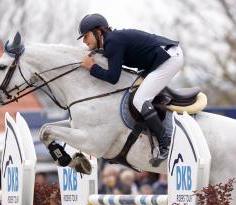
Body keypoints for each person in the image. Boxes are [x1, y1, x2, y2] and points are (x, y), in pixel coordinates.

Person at [78, 13, 182, 165]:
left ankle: (165, 143)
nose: (84, 41)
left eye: (86, 35)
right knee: (137, 94)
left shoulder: (113, 41)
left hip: (169, 59)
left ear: (98, 32)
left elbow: (113, 78)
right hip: (162, 58)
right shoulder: (112, 41)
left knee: (140, 99)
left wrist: (91, 67)